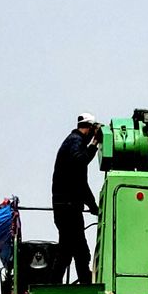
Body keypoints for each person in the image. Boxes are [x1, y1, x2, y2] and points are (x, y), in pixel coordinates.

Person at [51, 113, 101, 284]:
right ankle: (78, 284)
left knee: (72, 249)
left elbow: (81, 184)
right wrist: (94, 144)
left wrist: (93, 206)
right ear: (90, 128)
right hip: (68, 207)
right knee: (75, 250)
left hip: (67, 206)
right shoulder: (75, 141)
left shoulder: (73, 142)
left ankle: (75, 281)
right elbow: (80, 162)